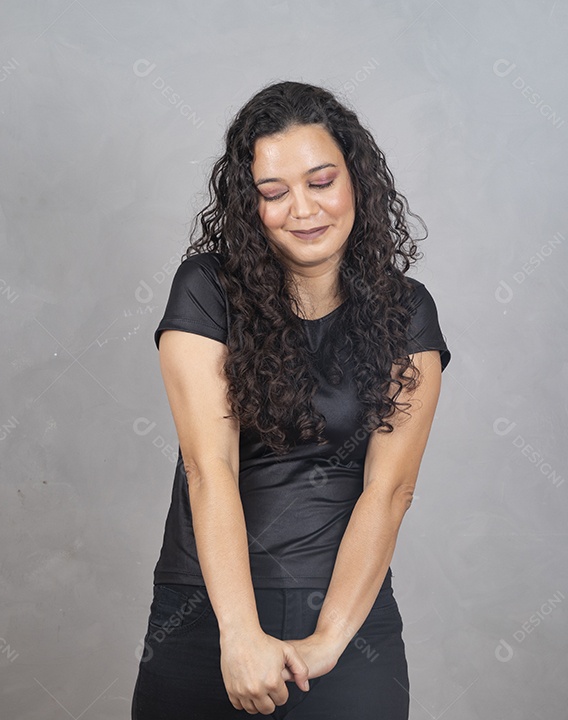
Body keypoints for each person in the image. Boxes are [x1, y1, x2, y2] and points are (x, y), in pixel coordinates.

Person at [131, 80, 451, 719]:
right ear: (250, 206)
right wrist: (241, 636)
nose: (303, 209)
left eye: (321, 181)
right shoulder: (206, 291)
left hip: (347, 618)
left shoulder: (408, 311)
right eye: (274, 193)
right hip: (205, 611)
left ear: (357, 180)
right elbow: (209, 468)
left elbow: (388, 491)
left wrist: (329, 640)